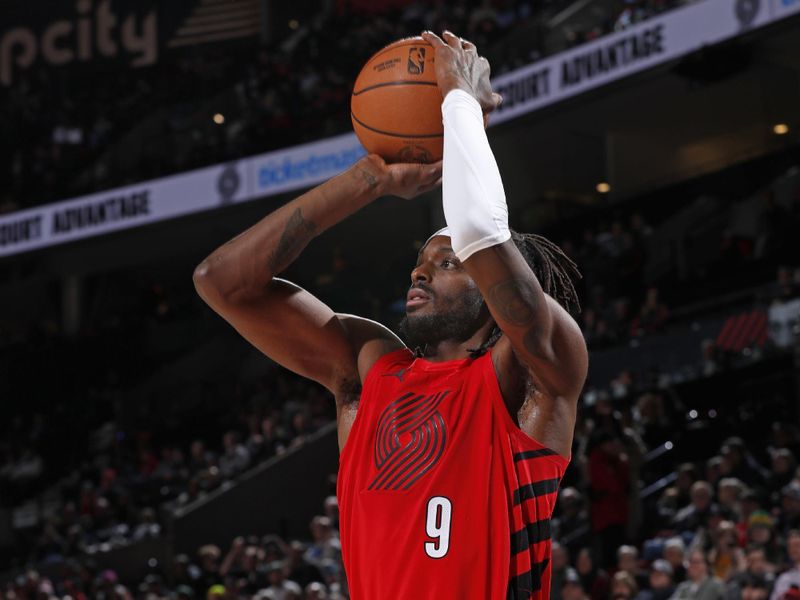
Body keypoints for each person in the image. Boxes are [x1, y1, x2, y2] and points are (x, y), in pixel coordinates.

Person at [194, 29, 588, 600]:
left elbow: (481, 232)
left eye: (447, 262)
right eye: (420, 262)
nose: (419, 273)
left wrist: (459, 102)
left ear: (493, 282)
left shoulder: (530, 376)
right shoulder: (369, 370)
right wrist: (368, 180)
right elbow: (221, 283)